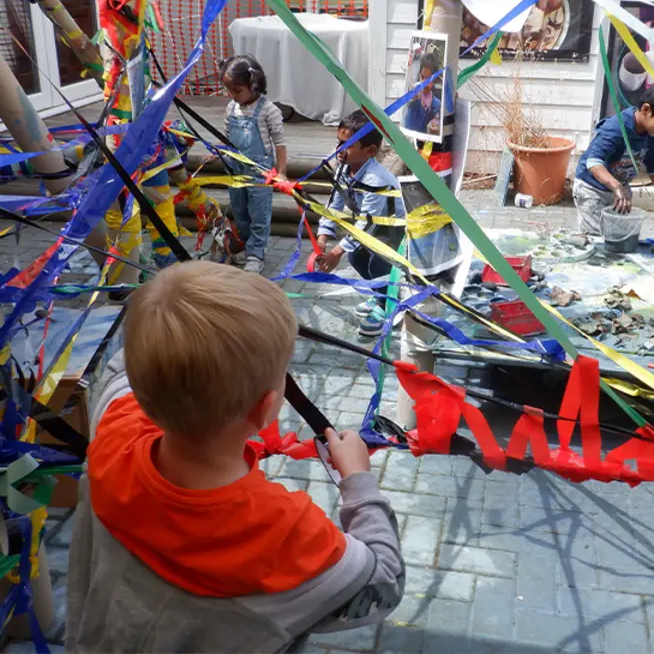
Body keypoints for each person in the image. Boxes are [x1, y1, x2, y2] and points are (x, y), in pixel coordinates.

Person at [66, 262, 405, 652]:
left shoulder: (115, 427)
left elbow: (127, 366)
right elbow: (383, 581)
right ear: (266, 409)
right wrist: (359, 482)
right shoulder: (283, 536)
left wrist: (182, 312)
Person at [316, 110, 406, 338]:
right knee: (357, 257)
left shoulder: (376, 180)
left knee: (379, 264)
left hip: (393, 228)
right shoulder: (344, 170)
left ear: (370, 152)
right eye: (339, 142)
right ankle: (380, 294)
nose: (339, 149)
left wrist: (337, 252)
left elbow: (367, 223)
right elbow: (333, 204)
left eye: (346, 145)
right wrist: (323, 236)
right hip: (370, 226)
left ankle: (389, 304)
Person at [574, 80, 654, 236]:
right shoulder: (617, 127)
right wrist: (616, 187)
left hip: (619, 189)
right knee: (595, 237)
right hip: (592, 189)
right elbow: (593, 162)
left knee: (618, 235)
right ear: (646, 110)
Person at [221, 55, 287, 275]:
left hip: (260, 171)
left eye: (237, 91)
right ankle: (247, 246)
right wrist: (219, 153)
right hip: (235, 169)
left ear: (254, 84)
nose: (233, 96)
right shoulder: (231, 108)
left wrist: (282, 173)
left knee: (259, 214)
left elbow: (280, 144)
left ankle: (256, 254)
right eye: (230, 91)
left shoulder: (269, 111)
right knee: (240, 211)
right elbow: (228, 137)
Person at [403, 51, 442, 136]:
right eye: (422, 77)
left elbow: (435, 125)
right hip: (408, 140)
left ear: (435, 80)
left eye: (428, 79)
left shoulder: (436, 104)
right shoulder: (415, 94)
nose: (424, 82)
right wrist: (414, 97)